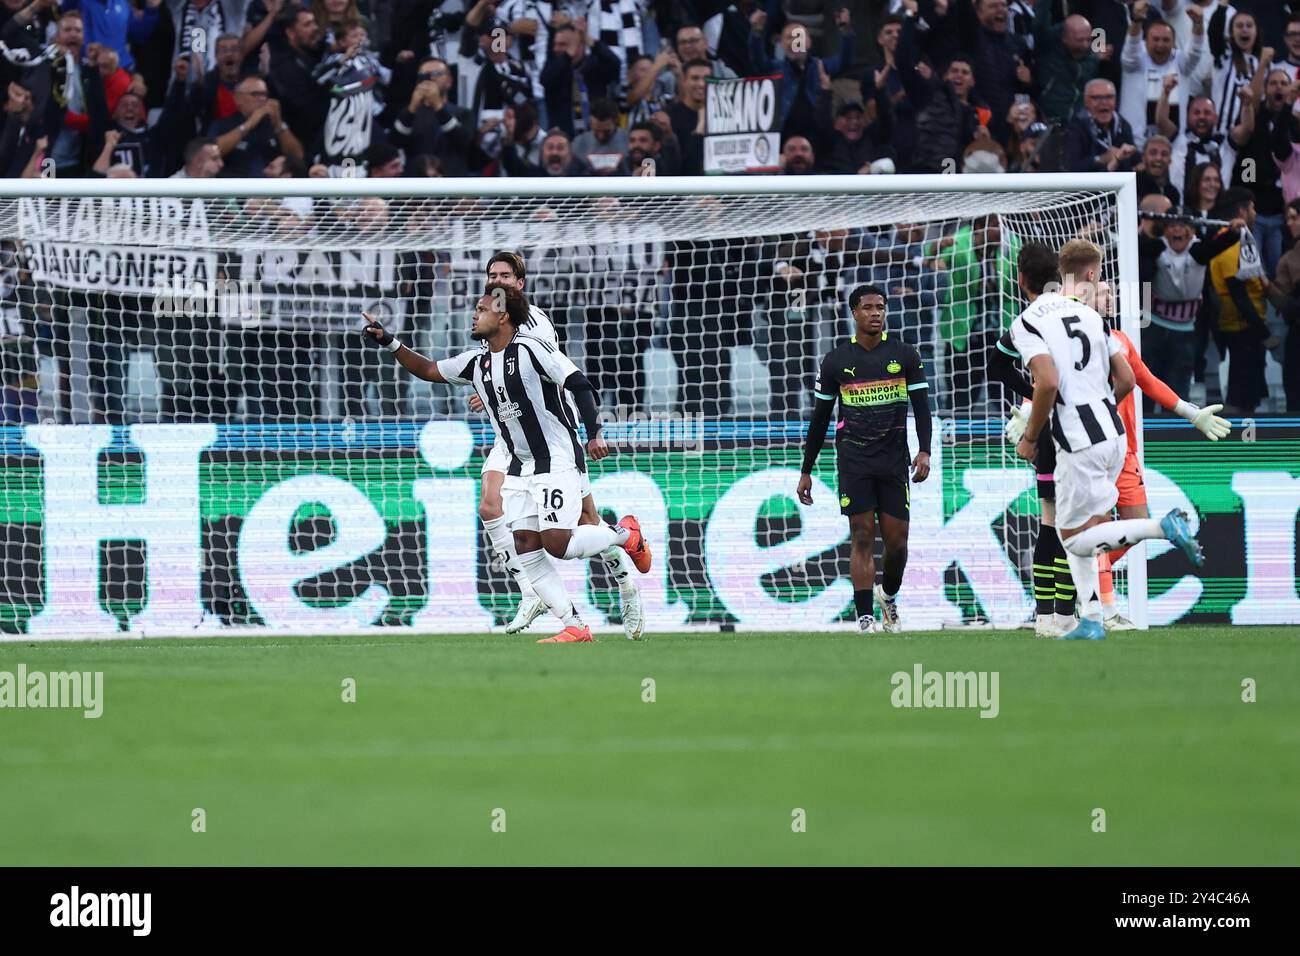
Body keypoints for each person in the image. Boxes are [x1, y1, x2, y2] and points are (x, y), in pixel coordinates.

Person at [361, 284, 651, 645]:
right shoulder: (476, 362)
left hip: (556, 457)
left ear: (502, 316)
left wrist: (594, 432)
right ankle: (575, 624)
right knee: (526, 543)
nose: (474, 314)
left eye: (481, 309)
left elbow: (579, 383)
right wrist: (389, 341)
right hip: (519, 464)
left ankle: (625, 534)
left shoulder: (532, 349)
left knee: (557, 543)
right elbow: (429, 369)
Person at [1009, 240, 1203, 642]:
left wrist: (1030, 436)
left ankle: (1162, 528)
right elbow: (1130, 379)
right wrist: (1101, 407)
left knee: (1074, 540)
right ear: (1090, 274)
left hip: (1078, 443)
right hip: (1114, 435)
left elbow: (1046, 381)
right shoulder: (1093, 318)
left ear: (1022, 278)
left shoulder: (1027, 321)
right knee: (1083, 532)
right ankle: (1093, 618)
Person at [1055, 240, 1231, 628]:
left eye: (1112, 294)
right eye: (1103, 291)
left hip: (1126, 452)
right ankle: (1106, 610)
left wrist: (1191, 412)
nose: (1109, 297)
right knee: (1096, 529)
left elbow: (1146, 381)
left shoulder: (1119, 340)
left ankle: (1089, 570)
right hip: (1090, 448)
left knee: (1132, 527)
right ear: (1086, 287)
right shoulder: (1065, 339)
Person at [468, 252, 643, 641]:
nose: (498, 281)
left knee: (585, 523)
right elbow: (488, 366)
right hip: (510, 436)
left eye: (505, 276)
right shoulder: (485, 319)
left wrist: (592, 430)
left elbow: (552, 377)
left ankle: (624, 579)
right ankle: (530, 592)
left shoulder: (535, 325)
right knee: (489, 504)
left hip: (553, 436)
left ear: (520, 283)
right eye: (491, 275)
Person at [796, 285, 932, 635]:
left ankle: (887, 595)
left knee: (898, 542)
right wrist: (806, 469)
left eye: (881, 307)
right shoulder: (837, 360)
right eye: (868, 307)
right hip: (854, 460)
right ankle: (864, 616)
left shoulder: (904, 355)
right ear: (854, 313)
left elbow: (922, 409)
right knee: (861, 536)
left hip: (893, 460)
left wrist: (925, 450)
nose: (876, 313)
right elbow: (820, 418)